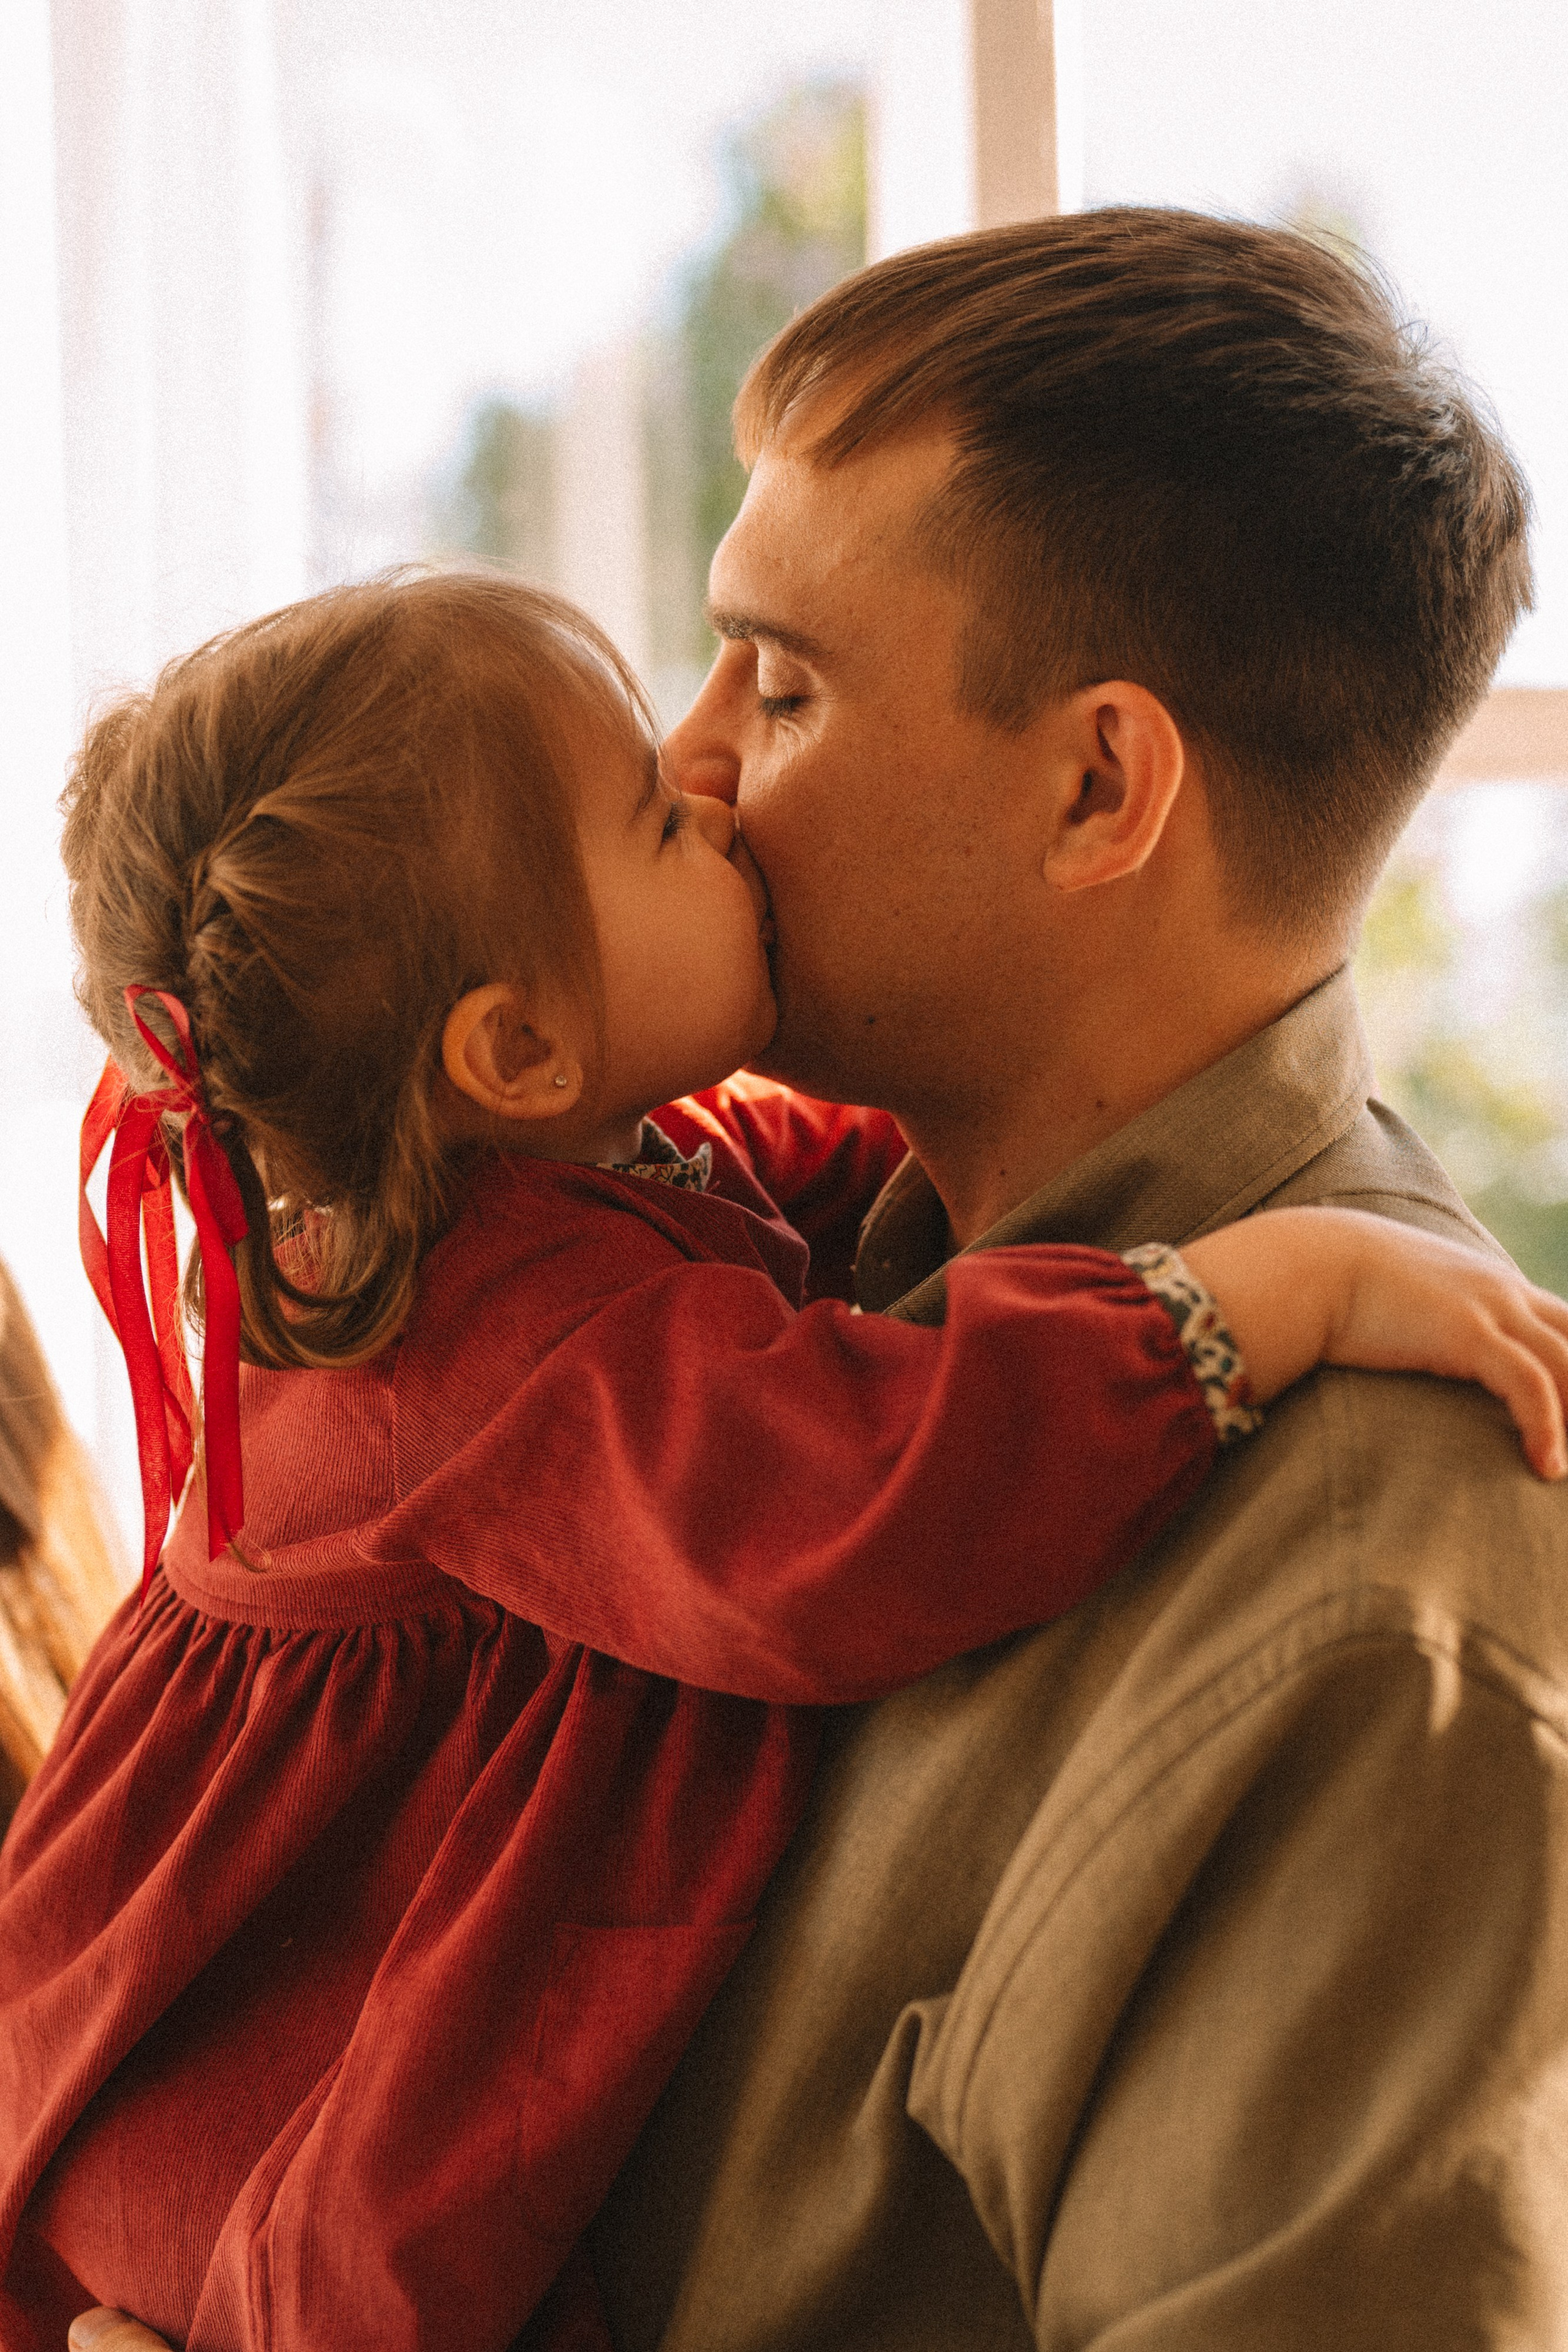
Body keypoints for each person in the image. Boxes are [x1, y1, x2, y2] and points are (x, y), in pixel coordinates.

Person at [10, 570, 1551, 2352]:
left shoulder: (506, 1192)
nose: (709, 778)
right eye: (656, 823)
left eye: (788, 690)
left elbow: (760, 1200)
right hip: (260, 2082)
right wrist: (1256, 1299)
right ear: (516, 1050)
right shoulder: (513, 1343)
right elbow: (855, 1491)